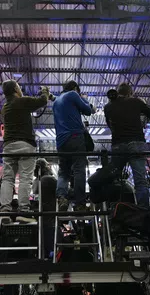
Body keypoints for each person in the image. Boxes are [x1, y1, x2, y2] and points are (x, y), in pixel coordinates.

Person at [0, 80, 49, 223]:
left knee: (8, 178)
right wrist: (45, 91)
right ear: (15, 89)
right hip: (25, 144)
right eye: (19, 87)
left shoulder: (5, 107)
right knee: (25, 178)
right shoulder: (22, 101)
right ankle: (24, 211)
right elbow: (42, 101)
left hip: (8, 146)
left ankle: (5, 211)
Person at [104, 83, 150, 208]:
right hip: (136, 143)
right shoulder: (136, 101)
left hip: (118, 145)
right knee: (140, 181)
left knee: (114, 178)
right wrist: (141, 103)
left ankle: (113, 209)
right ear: (130, 92)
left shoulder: (108, 106)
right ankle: (143, 211)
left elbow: (109, 125)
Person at [53, 81, 95, 212]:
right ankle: (80, 204)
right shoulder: (73, 94)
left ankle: (61, 198)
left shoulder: (56, 101)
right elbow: (88, 110)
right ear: (75, 88)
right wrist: (84, 99)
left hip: (61, 141)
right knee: (79, 170)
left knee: (63, 172)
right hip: (75, 137)